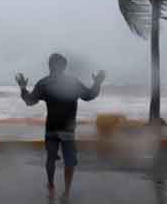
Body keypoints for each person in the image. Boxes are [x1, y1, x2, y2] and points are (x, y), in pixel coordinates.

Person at [15, 53, 106, 199]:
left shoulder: (45, 83)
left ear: (50, 66)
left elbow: (30, 101)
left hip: (53, 128)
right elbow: (89, 95)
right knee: (67, 161)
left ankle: (53, 187)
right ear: (63, 66)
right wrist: (97, 83)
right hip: (65, 129)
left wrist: (23, 88)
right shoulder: (70, 83)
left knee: (52, 159)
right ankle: (64, 191)